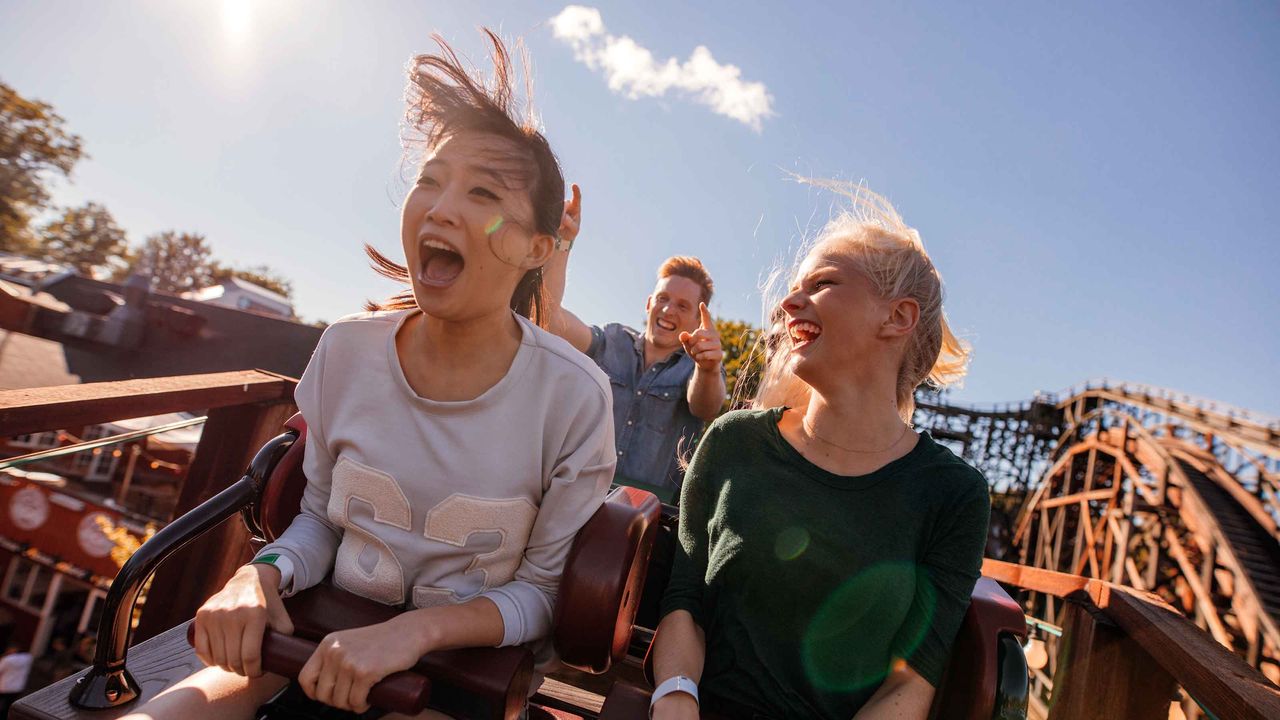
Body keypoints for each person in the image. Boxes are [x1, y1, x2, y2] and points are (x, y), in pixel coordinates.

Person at [122, 29, 615, 720]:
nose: (441, 207)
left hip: (464, 678)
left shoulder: (573, 396)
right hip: (318, 641)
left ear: (539, 246)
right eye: (430, 181)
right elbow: (321, 519)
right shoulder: (347, 351)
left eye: (481, 192)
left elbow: (539, 593)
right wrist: (257, 574)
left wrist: (411, 635)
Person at [649, 183, 990, 719]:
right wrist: (675, 698)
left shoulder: (954, 494)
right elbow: (683, 604)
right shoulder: (734, 441)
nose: (787, 303)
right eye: (793, 288)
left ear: (898, 318)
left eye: (823, 283)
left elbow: (911, 682)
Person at [544, 195, 726, 502]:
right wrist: (563, 242)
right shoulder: (613, 340)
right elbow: (549, 320)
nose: (669, 310)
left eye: (682, 306)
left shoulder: (698, 367)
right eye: (663, 298)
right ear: (648, 303)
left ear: (697, 319)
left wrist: (707, 369)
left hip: (647, 516)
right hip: (574, 494)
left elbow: (706, 407)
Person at [0, 642, 33, 716]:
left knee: (3, 705)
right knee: (9, 705)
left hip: (5, 686)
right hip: (18, 686)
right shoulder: (27, 657)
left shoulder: (7, 659)